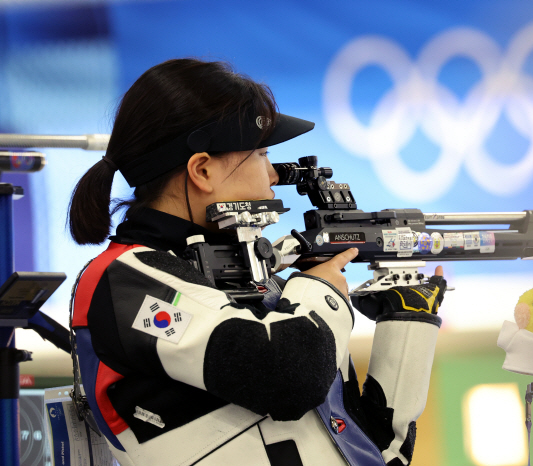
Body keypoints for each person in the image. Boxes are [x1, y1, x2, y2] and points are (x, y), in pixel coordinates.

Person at [68, 58, 447, 466]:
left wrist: (407, 325)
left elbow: (379, 451)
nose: (272, 174)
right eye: (262, 153)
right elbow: (290, 380)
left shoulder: (273, 291)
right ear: (203, 170)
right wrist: (318, 289)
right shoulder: (121, 281)